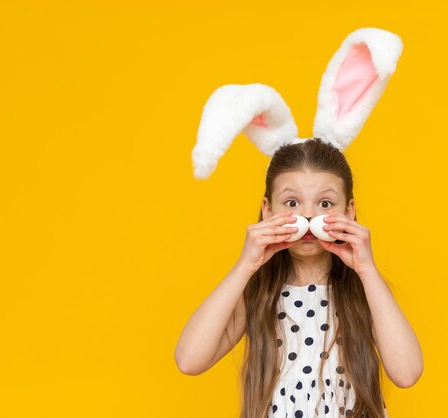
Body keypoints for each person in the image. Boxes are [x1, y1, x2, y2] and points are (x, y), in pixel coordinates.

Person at [176, 27, 422, 418]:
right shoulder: (258, 291)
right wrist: (246, 264)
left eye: (325, 203)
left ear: (350, 212)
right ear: (267, 210)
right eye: (292, 202)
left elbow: (407, 372)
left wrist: (368, 268)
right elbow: (189, 360)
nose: (309, 215)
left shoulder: (361, 290)